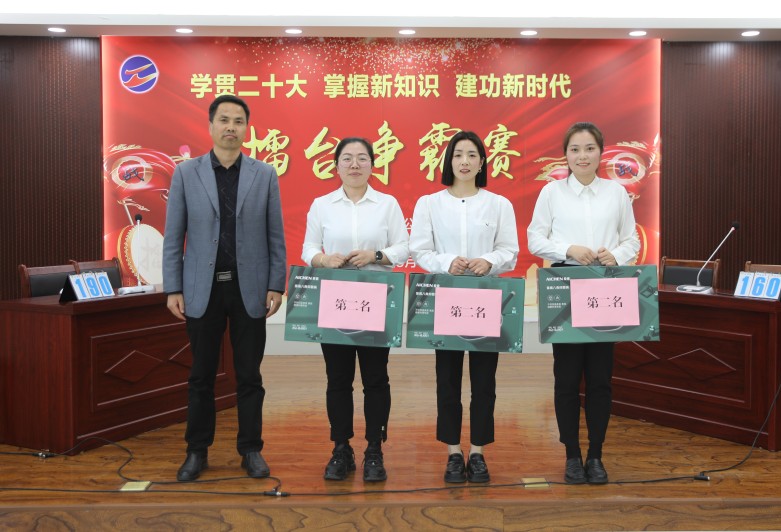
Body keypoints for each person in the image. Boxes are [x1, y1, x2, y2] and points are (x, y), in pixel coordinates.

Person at [162, 94, 287, 482]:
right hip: (202, 289)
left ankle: (251, 449)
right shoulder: (187, 173)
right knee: (201, 375)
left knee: (249, 375)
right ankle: (196, 451)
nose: (231, 127)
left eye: (238, 121)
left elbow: (275, 235)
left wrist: (276, 284)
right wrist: (173, 287)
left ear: (246, 128)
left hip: (250, 288)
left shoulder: (264, 174)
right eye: (224, 120)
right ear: (211, 125)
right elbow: (174, 236)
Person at [527, 122, 640, 485]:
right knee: (566, 378)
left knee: (600, 379)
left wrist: (615, 255)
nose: (582, 156)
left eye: (589, 148)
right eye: (575, 149)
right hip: (565, 285)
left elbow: (631, 240)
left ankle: (596, 455)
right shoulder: (551, 192)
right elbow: (534, 239)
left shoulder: (616, 193)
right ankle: (572, 455)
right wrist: (568, 249)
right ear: (566, 155)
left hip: (605, 287)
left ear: (600, 152)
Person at [408, 130, 519, 484]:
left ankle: (479, 451)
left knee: (485, 381)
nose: (465, 161)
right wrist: (446, 262)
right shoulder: (429, 203)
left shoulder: (499, 204)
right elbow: (419, 249)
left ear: (482, 162)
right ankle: (454, 452)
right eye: (458, 155)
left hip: (487, 300)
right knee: (448, 379)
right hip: (446, 298)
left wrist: (489, 261)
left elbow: (509, 251)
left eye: (472, 155)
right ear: (448, 161)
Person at [301, 137, 409, 482]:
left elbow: (404, 248)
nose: (354, 165)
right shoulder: (322, 205)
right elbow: (308, 248)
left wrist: (375, 255)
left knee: (376, 378)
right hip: (334, 300)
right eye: (347, 158)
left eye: (362, 158)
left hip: (375, 300)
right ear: (336, 166)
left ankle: (374, 449)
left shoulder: (387, 204)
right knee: (338, 378)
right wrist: (323, 259)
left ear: (373, 165)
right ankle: (341, 448)